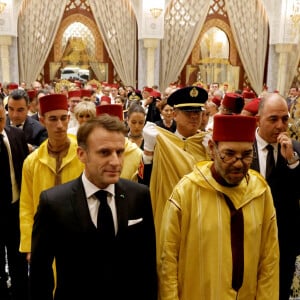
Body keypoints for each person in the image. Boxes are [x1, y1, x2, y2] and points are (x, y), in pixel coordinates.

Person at [29, 115, 157, 300]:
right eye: (104, 153)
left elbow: (147, 266)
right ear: (81, 154)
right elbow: (40, 275)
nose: (115, 162)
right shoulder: (54, 203)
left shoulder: (139, 196)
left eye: (119, 152)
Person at [158, 114, 279, 300]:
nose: (238, 163)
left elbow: (269, 260)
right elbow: (168, 260)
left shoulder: (260, 192)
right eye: (229, 154)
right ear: (212, 149)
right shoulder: (187, 192)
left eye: (246, 155)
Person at [138, 86, 210, 240]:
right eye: (188, 112)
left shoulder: (208, 144)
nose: (194, 117)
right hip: (168, 214)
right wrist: (148, 153)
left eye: (197, 112)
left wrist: (215, 156)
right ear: (175, 114)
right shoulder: (162, 142)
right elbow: (143, 182)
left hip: (201, 218)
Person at [19, 94, 84, 262]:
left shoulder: (83, 155)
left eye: (63, 118)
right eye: (53, 119)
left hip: (79, 234)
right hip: (45, 235)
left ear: (69, 118)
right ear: (42, 120)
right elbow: (26, 205)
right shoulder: (32, 162)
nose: (60, 125)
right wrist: (29, 245)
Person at [251, 92, 300, 299]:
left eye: (285, 119)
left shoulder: (296, 150)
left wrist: (292, 162)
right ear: (258, 120)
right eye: (273, 119)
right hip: (247, 241)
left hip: (282, 246)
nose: (280, 126)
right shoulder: (241, 147)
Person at [0, 102, 29, 300]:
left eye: (1, 119)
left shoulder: (16, 135)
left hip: (16, 206)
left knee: (17, 256)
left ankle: (20, 293)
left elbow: (25, 172)